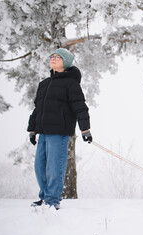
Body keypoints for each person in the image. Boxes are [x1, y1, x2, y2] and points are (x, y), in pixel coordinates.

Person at [27, 48, 92, 210]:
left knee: (54, 167)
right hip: (44, 132)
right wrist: (32, 129)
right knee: (39, 166)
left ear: (66, 62)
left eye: (58, 57)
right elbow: (38, 109)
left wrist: (85, 129)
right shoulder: (44, 84)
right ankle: (44, 197)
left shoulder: (71, 83)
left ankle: (52, 200)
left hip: (60, 131)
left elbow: (80, 107)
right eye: (52, 56)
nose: (53, 59)